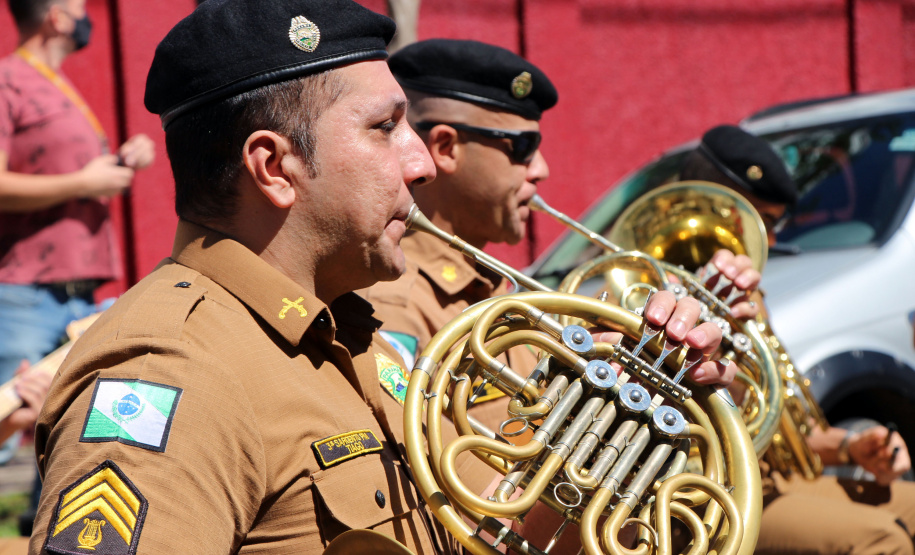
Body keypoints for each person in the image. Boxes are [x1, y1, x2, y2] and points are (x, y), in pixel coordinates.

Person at [361, 40, 758, 433]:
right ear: (446, 147)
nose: (542, 169)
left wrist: (671, 369)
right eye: (523, 147)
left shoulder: (502, 288)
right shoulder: (397, 307)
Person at [680, 124, 915, 555]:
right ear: (713, 207)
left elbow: (783, 428)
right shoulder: (641, 283)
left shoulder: (750, 295)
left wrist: (853, 446)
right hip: (705, 495)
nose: (771, 239)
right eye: (762, 221)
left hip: (770, 481)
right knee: (882, 541)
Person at [0, 0, 154, 536]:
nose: (83, 12)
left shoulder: (55, 83)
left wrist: (118, 164)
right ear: (55, 18)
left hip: (74, 293)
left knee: (68, 431)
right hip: (24, 292)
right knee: (4, 420)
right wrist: (84, 184)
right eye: (75, 4)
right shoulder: (8, 81)